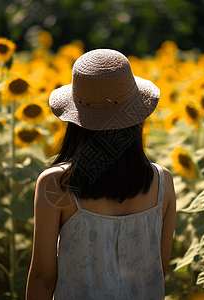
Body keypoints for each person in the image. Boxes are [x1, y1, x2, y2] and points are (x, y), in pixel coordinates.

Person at [26, 49, 176, 300]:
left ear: (76, 122)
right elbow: (157, 271)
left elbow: (43, 278)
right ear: (136, 117)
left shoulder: (57, 185)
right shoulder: (162, 183)